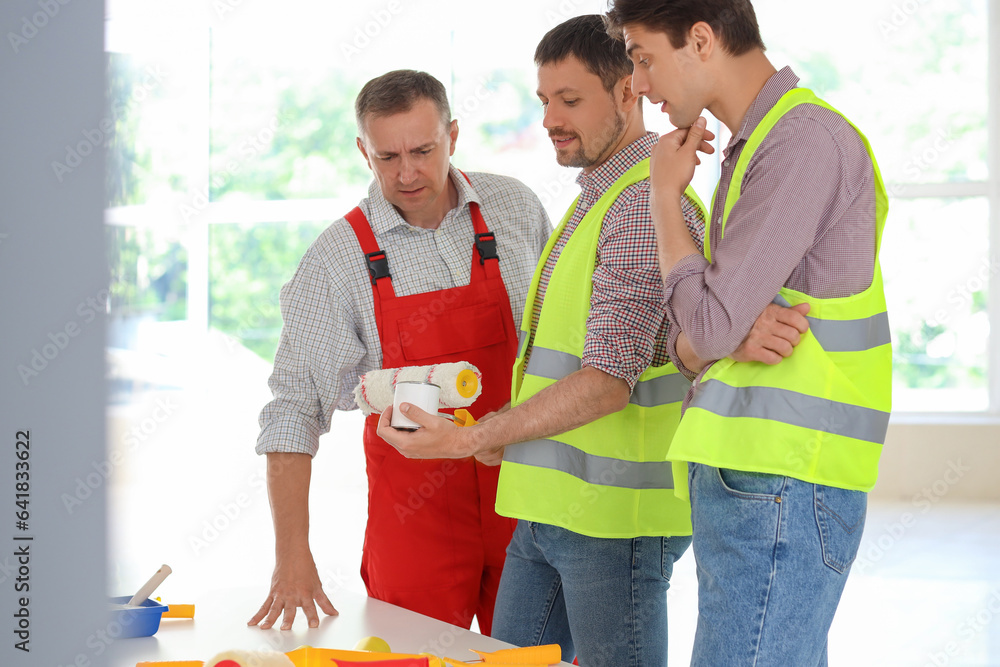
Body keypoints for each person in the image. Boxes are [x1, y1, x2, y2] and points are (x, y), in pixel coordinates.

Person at [377, 16, 807, 665]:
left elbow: (607, 381)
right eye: (544, 100)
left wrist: (475, 437)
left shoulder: (638, 206)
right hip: (549, 510)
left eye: (570, 100)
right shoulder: (598, 197)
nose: (550, 117)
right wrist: (505, 433)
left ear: (630, 90)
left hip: (612, 522)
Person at [606, 2, 892, 665]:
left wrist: (661, 198)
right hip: (761, 479)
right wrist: (704, 337)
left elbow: (705, 327)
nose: (639, 84)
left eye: (644, 57)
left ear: (700, 40)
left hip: (782, 478)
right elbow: (698, 340)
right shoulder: (759, 146)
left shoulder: (801, 143)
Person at [248, 69, 551, 634]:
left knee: (536, 654)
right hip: (417, 521)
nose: (407, 172)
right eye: (387, 157)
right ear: (364, 151)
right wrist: (292, 556)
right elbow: (292, 410)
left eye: (423, 149)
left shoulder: (516, 210)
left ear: (453, 135)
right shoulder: (336, 260)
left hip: (527, 491)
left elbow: (559, 346)